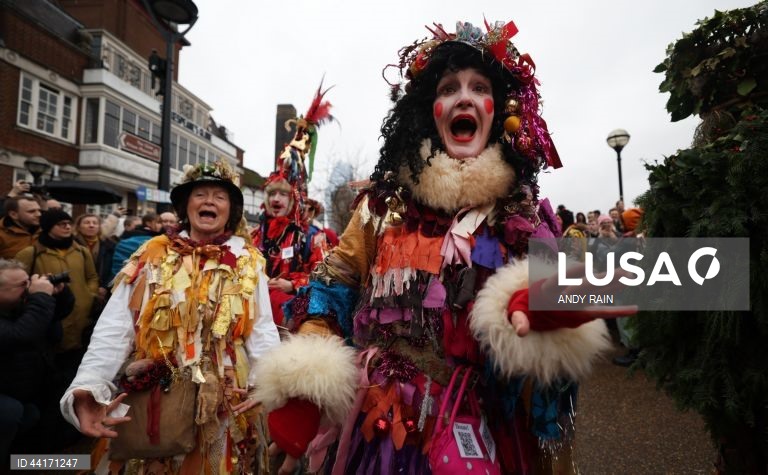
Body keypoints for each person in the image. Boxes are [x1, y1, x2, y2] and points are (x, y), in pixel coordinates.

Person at [252, 20, 628, 474]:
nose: (464, 97)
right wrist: (307, 372)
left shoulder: (522, 217)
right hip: (377, 424)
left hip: (476, 425)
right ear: (429, 109)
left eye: (478, 87)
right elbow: (336, 281)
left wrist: (545, 309)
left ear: (499, 110)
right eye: (449, 88)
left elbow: (665, 279)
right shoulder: (382, 207)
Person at [60, 161, 280, 474]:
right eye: (200, 194)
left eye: (219, 197)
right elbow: (116, 326)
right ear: (184, 205)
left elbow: (262, 328)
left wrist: (266, 382)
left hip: (226, 397)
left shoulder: (248, 261)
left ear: (231, 209)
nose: (208, 202)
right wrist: (90, 384)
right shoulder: (152, 254)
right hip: (156, 393)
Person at [252, 85, 334, 327]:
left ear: (294, 200)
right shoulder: (254, 236)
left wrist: (292, 285)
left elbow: (326, 279)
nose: (276, 200)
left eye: (283, 195)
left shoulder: (312, 237)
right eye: (272, 194)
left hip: (292, 315)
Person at [0, 259, 76, 455]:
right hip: (8, 398)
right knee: (12, 413)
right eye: (22, 286)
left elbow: (56, 314)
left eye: (29, 281)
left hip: (26, 385)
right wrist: (41, 296)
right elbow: (21, 335)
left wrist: (59, 294)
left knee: (32, 416)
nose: (29, 289)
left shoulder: (18, 305)